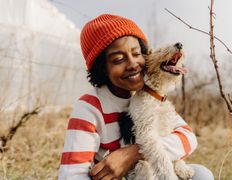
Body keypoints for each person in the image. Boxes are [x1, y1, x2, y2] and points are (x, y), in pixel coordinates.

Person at [58, 14, 214, 180]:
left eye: (137, 53)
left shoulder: (149, 95)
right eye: (118, 59)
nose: (133, 64)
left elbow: (189, 138)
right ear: (102, 68)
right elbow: (71, 174)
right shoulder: (90, 107)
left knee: (201, 174)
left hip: (151, 173)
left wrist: (132, 153)